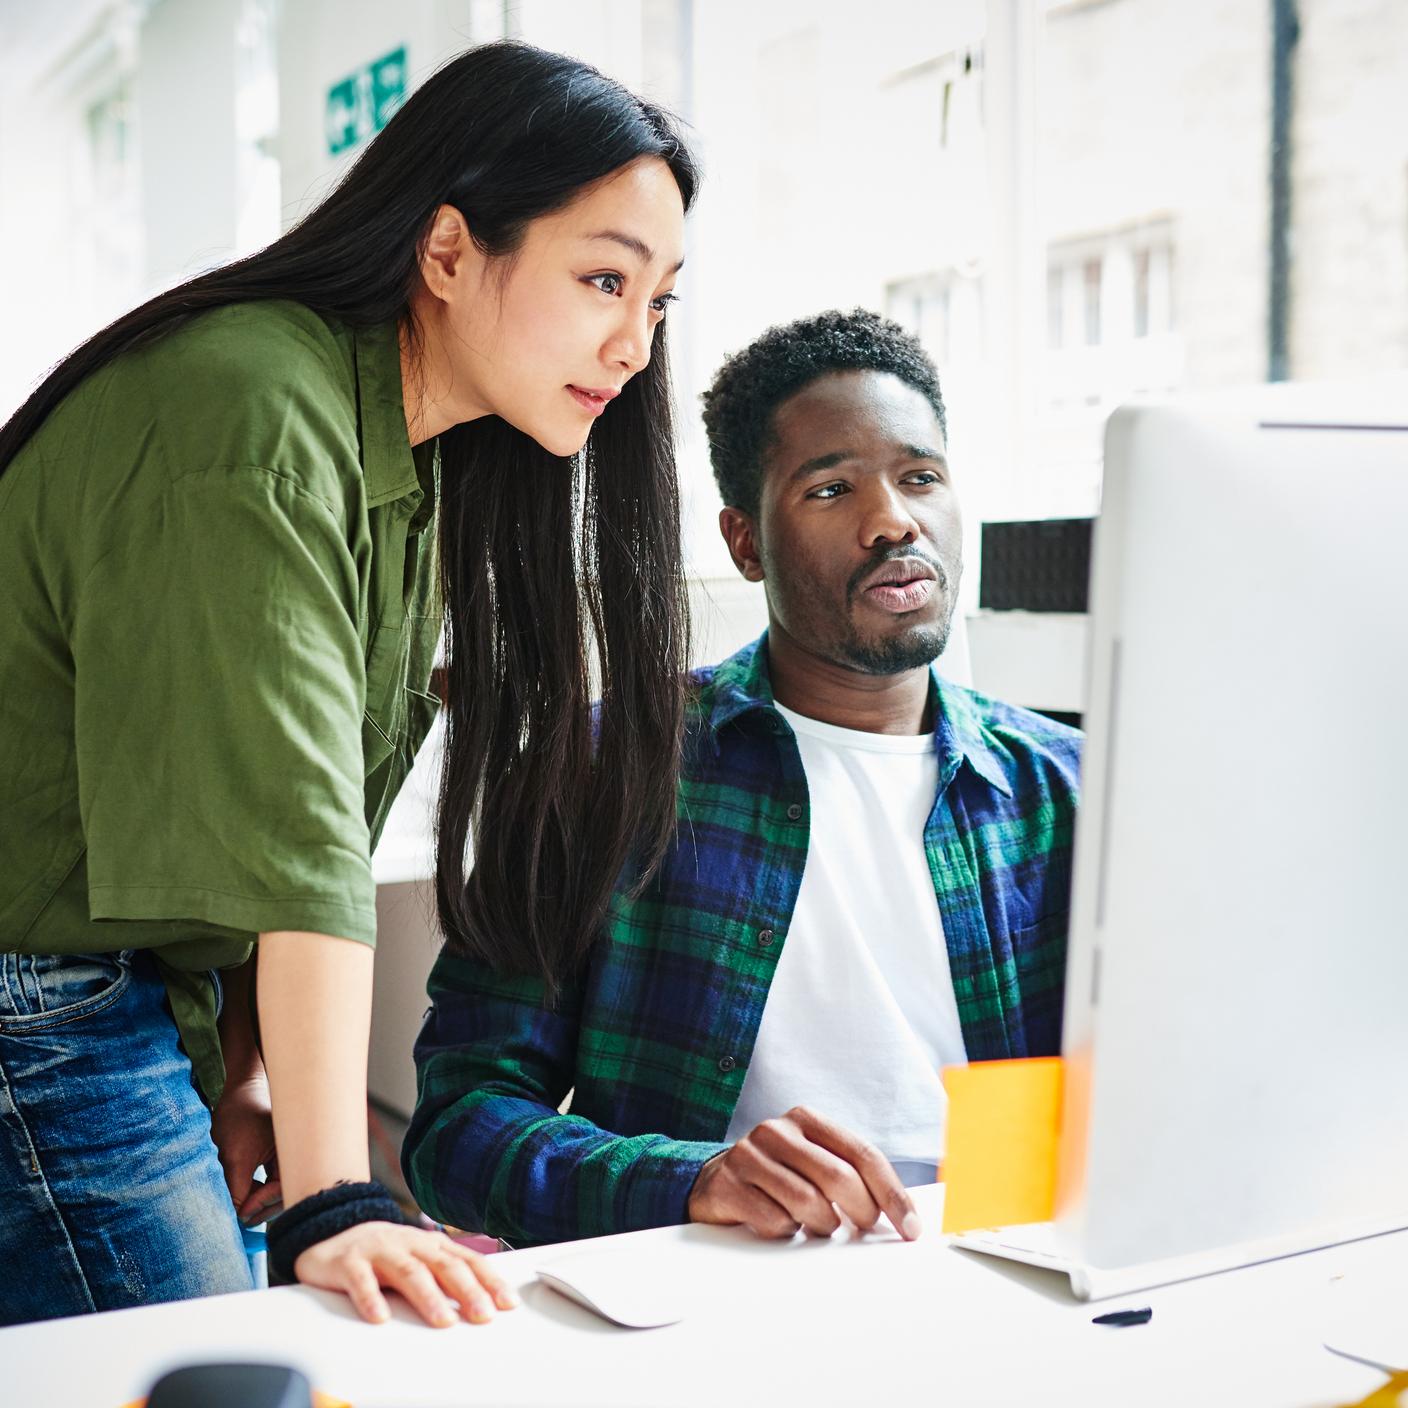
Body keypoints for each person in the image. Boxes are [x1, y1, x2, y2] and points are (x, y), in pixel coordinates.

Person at [0, 41, 695, 1328]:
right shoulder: (253, 409)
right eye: (603, 277)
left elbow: (261, 811)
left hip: (115, 996)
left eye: (656, 300)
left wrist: (244, 1068)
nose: (633, 342)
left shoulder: (411, 456)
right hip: (36, 1002)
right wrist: (335, 1194)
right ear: (444, 252)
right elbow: (299, 835)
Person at [404, 309, 1082, 1248]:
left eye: (920, 478)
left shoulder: (1067, 795)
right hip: (713, 1288)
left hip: (1002, 1272)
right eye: (831, 489)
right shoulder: (603, 773)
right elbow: (459, 1126)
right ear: (745, 542)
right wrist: (691, 1181)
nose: (893, 522)